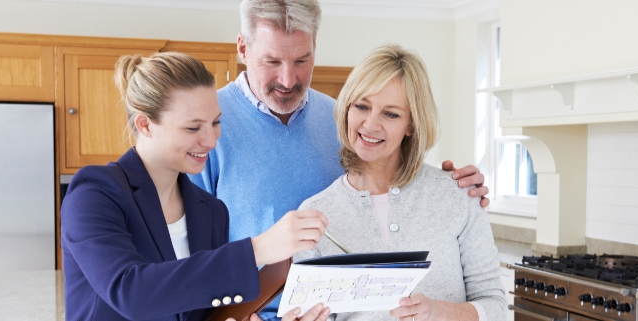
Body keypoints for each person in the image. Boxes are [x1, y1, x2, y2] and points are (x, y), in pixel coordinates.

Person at [189, 2, 490, 318]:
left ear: (315, 47)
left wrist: (457, 186)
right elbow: (182, 264)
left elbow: (390, 180)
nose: (288, 79)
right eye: (272, 61)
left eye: (302, 60)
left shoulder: (341, 120)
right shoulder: (206, 126)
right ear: (242, 48)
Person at [61, 51, 331, 321]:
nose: (211, 141)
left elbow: (203, 311)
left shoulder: (210, 210)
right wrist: (257, 249)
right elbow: (131, 293)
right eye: (193, 128)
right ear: (145, 124)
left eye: (215, 123)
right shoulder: (96, 193)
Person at [294, 44, 506, 321]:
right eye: (362, 106)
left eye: (390, 113)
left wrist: (440, 312)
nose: (370, 125)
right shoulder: (314, 216)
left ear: (411, 125)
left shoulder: (457, 196)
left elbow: (498, 308)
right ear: (347, 108)